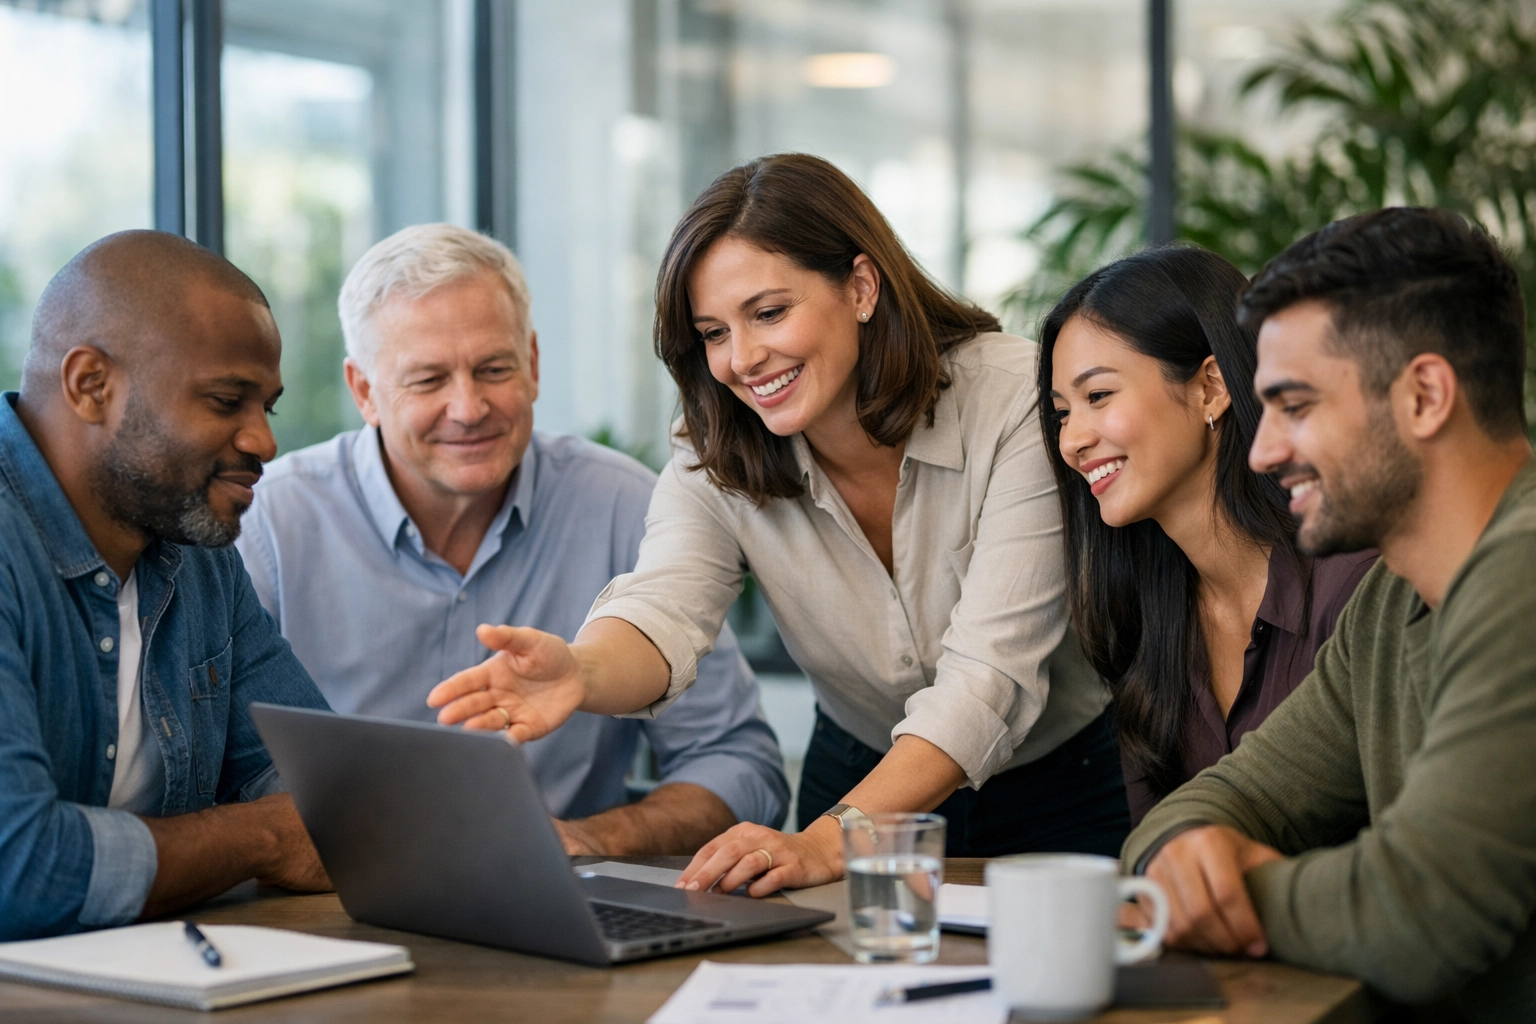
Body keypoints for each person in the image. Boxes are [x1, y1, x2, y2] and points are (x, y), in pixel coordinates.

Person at [429, 153, 1126, 896]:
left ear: (861, 287)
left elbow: (988, 678)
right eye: (713, 332)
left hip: (1065, 783)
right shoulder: (716, 446)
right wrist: (582, 671)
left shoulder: (1015, 399)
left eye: (768, 313)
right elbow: (665, 603)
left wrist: (830, 843)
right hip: (858, 769)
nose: (742, 359)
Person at [236, 224, 788, 855]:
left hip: (562, 911)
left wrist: (590, 839)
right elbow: (223, 773)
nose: (468, 408)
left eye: (493, 368)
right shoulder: (268, 527)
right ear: (364, 390)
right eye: (428, 380)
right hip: (323, 901)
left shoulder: (622, 507)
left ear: (532, 365)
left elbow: (739, 763)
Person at [1121, 208, 1536, 1019]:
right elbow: (1212, 804)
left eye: (1296, 405)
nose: (1263, 450)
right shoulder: (1389, 603)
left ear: (1423, 395)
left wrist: (1225, 891)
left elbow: (1421, 915)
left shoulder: (1522, 573)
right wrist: (1184, 854)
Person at [0, 231, 333, 940]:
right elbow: (17, 867)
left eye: (266, 408)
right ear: (91, 384)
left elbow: (325, 796)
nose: (264, 442)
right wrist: (262, 840)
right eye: (225, 401)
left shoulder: (193, 543)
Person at [1039, 246, 1374, 824]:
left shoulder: (1355, 582)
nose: (1072, 440)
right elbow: (1161, 849)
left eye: (1098, 396)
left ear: (1210, 387)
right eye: (1062, 412)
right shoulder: (1141, 613)